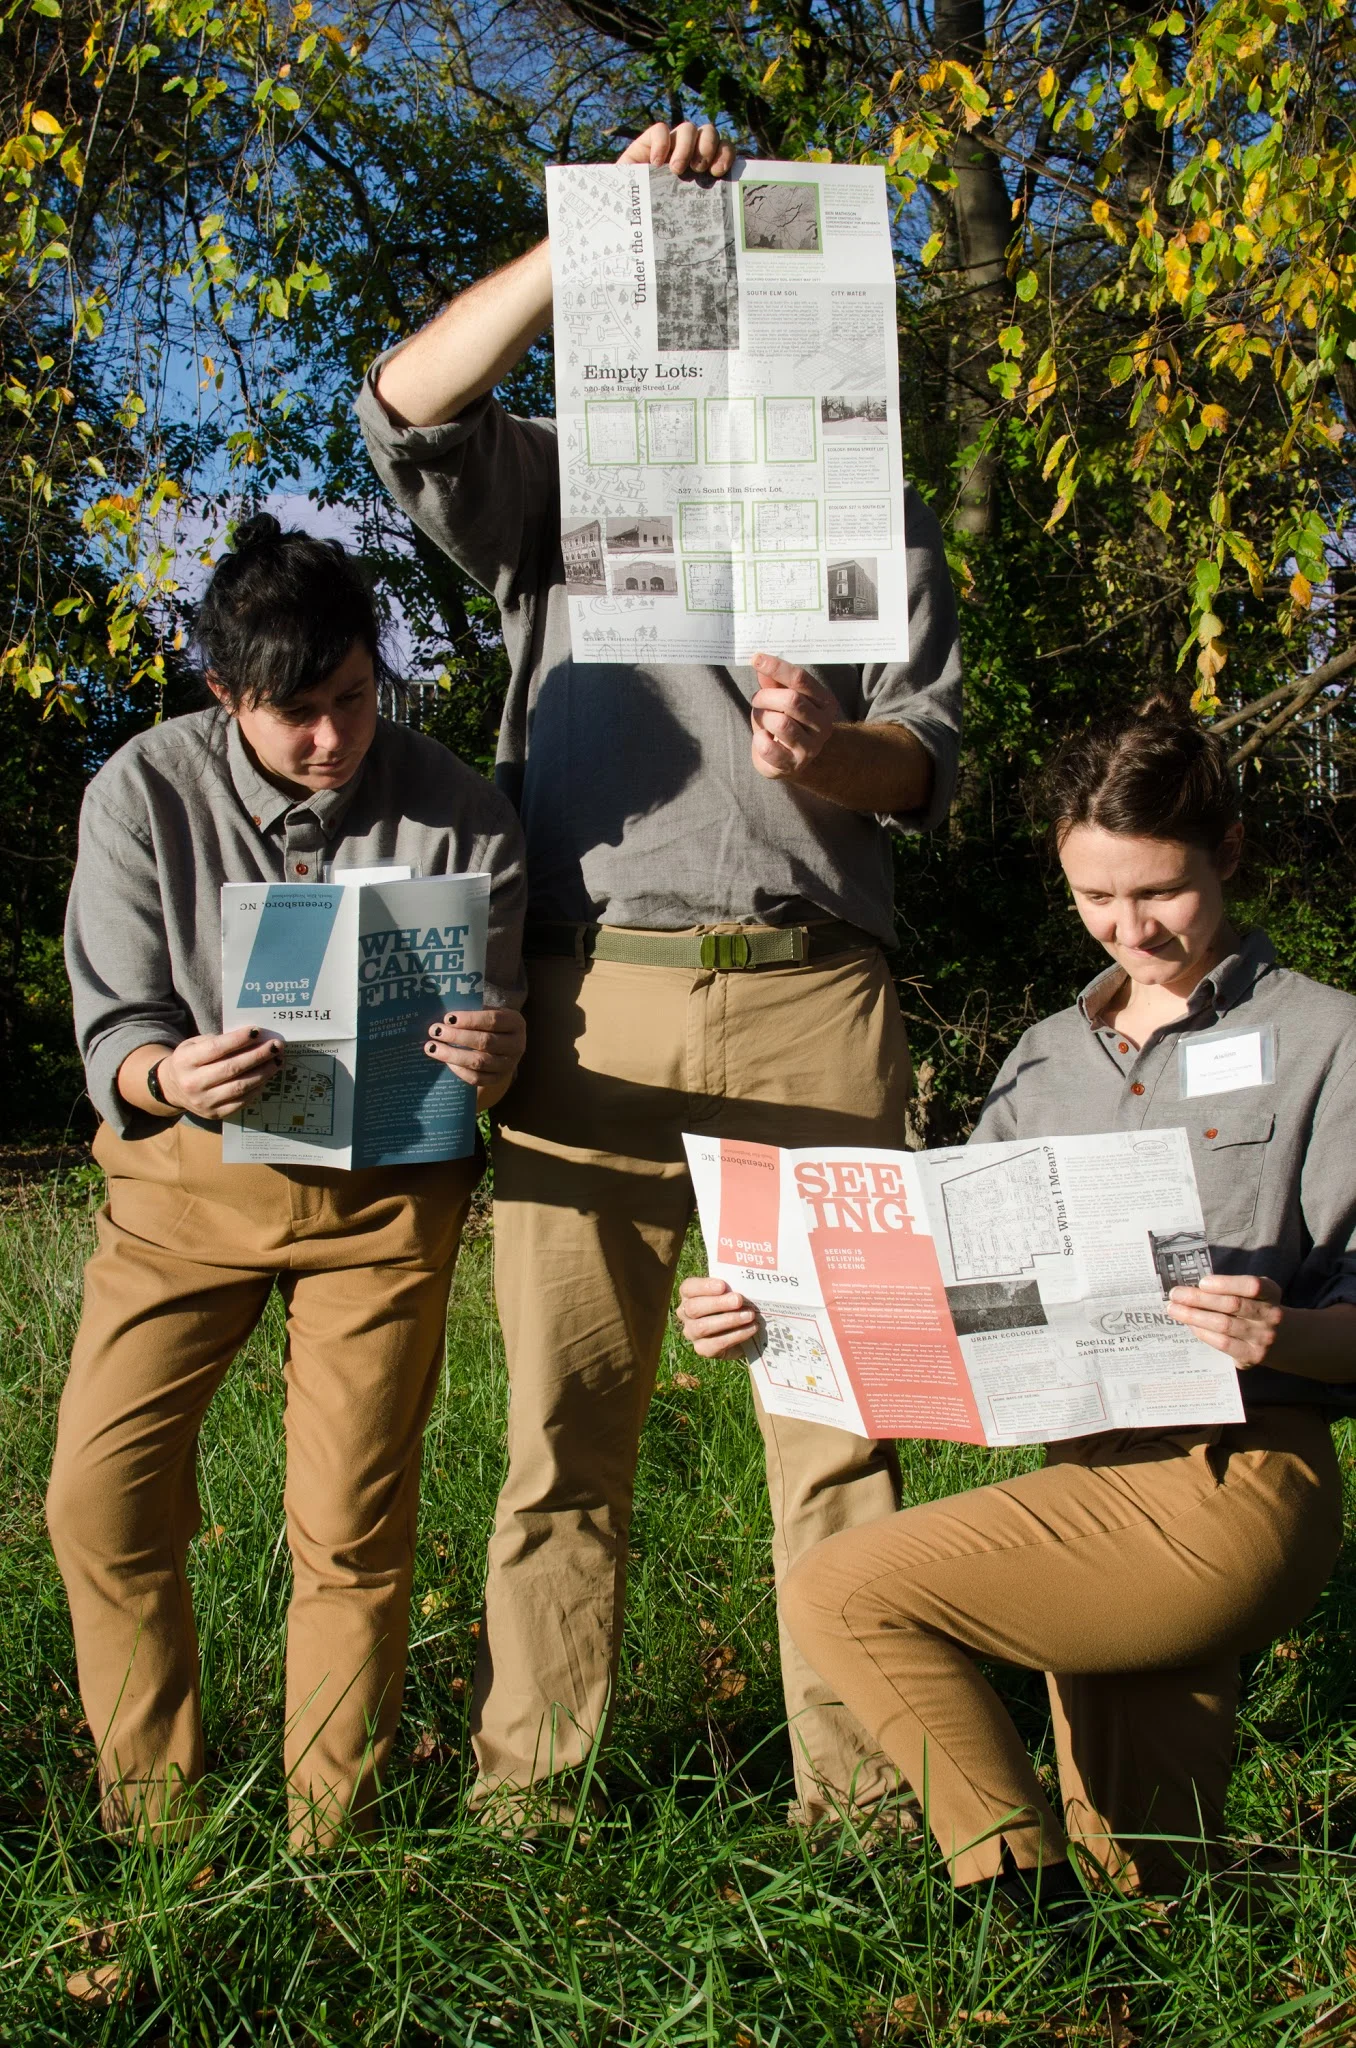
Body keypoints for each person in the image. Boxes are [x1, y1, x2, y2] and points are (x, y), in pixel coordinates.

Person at [356, 120, 964, 1829]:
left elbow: (936, 758)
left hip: (815, 983)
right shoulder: (557, 480)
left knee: (836, 1414)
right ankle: (532, 1792)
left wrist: (838, 760)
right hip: (591, 982)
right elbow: (405, 404)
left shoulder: (872, 492)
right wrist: (594, 228)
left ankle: (864, 1796)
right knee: (563, 1422)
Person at [678, 699, 1356, 1901]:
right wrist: (766, 1313)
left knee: (843, 1586)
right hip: (1080, 1475)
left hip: (1235, 1479)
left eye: (1161, 892)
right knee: (1155, 1874)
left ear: (1230, 855)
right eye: (1096, 896)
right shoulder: (1044, 1056)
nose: (1130, 927)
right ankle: (1097, 1926)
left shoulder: (1326, 1038)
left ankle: (1011, 1892)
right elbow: (934, 1279)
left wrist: (1278, 1330)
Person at [48, 515, 528, 1847]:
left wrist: (499, 1048)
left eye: (354, 700)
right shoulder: (142, 791)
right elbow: (115, 1024)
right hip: (179, 1200)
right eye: (295, 714)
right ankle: (153, 1823)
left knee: (348, 1532)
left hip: (383, 1210)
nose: (332, 738)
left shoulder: (463, 812)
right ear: (224, 695)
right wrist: (166, 1077)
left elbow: (499, 1022)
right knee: (97, 1500)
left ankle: (330, 1838)